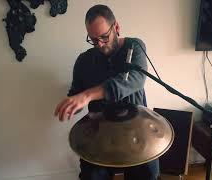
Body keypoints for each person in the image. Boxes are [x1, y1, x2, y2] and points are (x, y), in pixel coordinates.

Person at [54, 4, 159, 180]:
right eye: (93, 40)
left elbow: (135, 80)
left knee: (148, 174)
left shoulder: (134, 47)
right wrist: (73, 105)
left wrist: (88, 95)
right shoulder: (83, 61)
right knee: (91, 176)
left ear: (116, 27)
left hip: (137, 134)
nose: (100, 44)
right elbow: (76, 94)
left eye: (104, 37)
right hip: (100, 135)